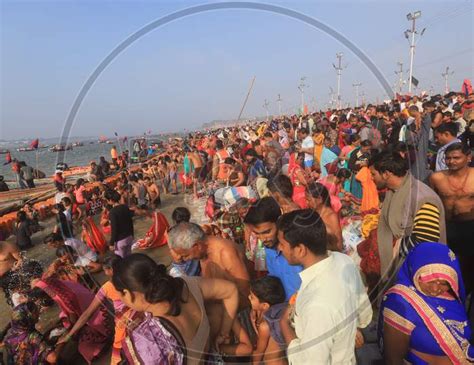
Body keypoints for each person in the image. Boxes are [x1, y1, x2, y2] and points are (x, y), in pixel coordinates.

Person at [277, 209, 372, 364]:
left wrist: (284, 325)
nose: (279, 249)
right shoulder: (344, 261)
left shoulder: (317, 305)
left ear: (300, 249)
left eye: (282, 244)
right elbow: (363, 315)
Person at [112, 253, 240, 365]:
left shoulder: (149, 336)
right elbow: (231, 290)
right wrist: (224, 333)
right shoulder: (187, 284)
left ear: (127, 293)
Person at [378, 242, 474, 364]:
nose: (435, 289)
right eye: (429, 281)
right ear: (414, 270)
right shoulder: (401, 302)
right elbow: (393, 360)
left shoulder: (451, 298)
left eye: (444, 283)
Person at [369, 151, 446, 281]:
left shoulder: (422, 197)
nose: (371, 178)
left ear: (386, 174)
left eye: (373, 174)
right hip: (396, 273)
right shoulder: (392, 191)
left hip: (416, 276)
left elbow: (425, 241)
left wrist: (397, 247)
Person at [59, 253, 128, 365]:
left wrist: (69, 335)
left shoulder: (106, 287)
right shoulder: (132, 277)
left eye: (106, 270)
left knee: (119, 359)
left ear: (109, 270)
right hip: (136, 319)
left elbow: (87, 314)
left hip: (124, 326)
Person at [167, 222, 250, 308]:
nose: (185, 260)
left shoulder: (225, 253)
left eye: (186, 256)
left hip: (239, 308)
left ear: (197, 246)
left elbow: (245, 292)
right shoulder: (203, 254)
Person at [32, 277, 113, 364]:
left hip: (97, 316)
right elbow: (71, 313)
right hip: (87, 311)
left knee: (86, 350)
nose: (45, 300)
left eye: (44, 296)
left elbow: (82, 315)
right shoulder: (59, 287)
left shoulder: (66, 296)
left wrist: (68, 335)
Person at [430, 142, 474, 293]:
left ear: (468, 157)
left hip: (470, 227)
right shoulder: (437, 178)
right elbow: (430, 200)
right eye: (448, 158)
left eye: (456, 158)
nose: (451, 162)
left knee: (468, 267)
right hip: (446, 227)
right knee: (445, 263)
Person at [244, 197, 302, 301]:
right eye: (257, 234)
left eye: (267, 232)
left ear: (279, 222)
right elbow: (260, 275)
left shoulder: (298, 245)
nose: (262, 239)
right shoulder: (260, 247)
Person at [249, 276, 287, 365]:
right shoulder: (277, 313)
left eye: (252, 297)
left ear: (265, 305)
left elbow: (259, 351)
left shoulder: (265, 325)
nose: (248, 297)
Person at [0, 241, 43, 307]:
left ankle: (37, 300)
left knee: (27, 290)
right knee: (12, 299)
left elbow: (22, 259)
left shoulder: (9, 246)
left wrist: (15, 267)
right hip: (3, 279)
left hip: (14, 274)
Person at [307, 182, 343, 252]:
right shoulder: (311, 212)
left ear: (320, 199)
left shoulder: (331, 216)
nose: (306, 202)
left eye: (309, 200)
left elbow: (339, 244)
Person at [105, 189, 134, 258]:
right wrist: (132, 235)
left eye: (107, 200)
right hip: (129, 237)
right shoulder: (125, 207)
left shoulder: (112, 212)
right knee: (129, 259)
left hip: (120, 241)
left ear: (110, 200)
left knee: (120, 261)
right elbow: (130, 221)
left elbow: (114, 229)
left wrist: (111, 243)